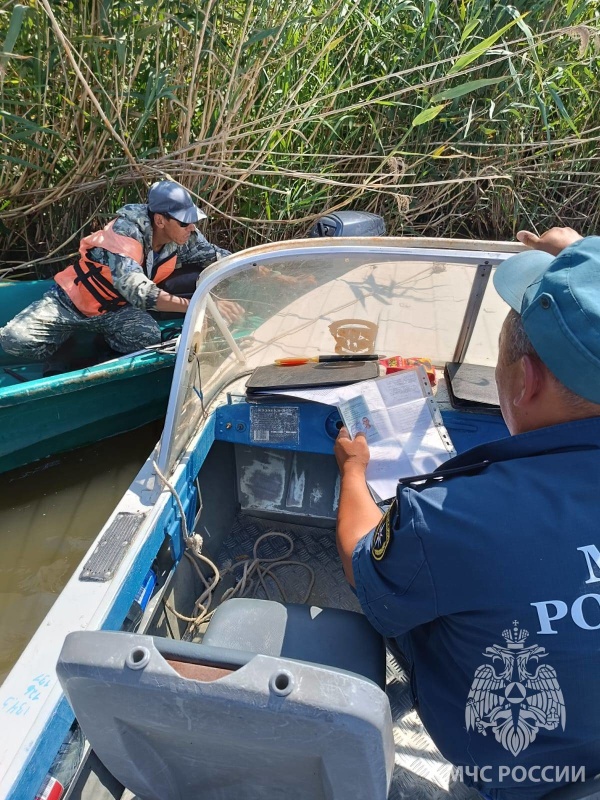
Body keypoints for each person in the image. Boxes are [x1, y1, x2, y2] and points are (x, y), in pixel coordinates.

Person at [334, 226, 600, 800]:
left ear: (523, 381)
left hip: (511, 780)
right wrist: (578, 258)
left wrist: (354, 470)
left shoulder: (451, 516)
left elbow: (361, 560)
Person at [0, 180, 243, 365]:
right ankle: (68, 340)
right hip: (71, 303)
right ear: (160, 220)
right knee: (13, 341)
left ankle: (101, 343)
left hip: (118, 310)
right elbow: (140, 293)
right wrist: (200, 305)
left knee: (147, 338)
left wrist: (259, 268)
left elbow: (213, 254)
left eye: (193, 221)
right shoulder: (125, 235)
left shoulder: (183, 235)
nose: (191, 228)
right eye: (184, 222)